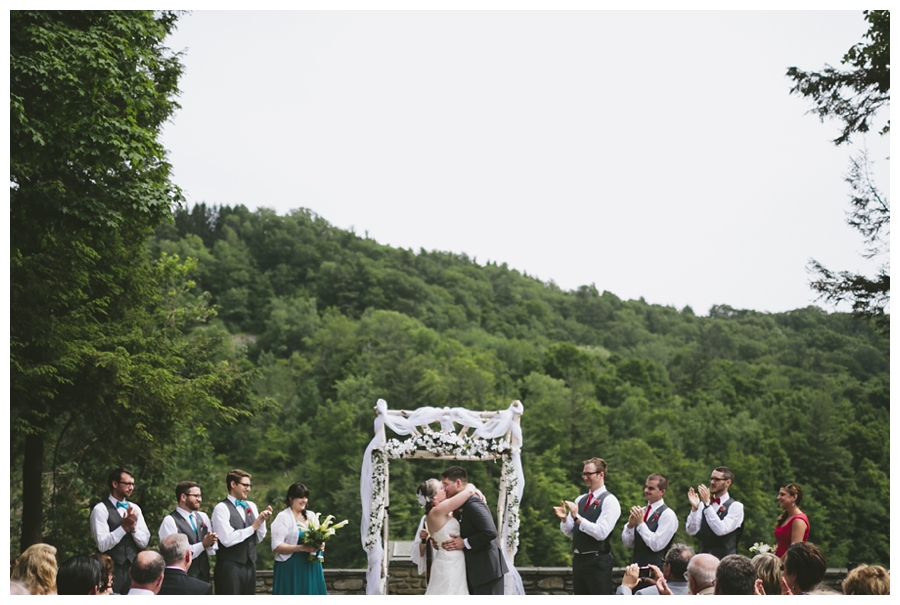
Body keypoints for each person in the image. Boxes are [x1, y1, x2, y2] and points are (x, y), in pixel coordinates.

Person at [553, 457, 621, 594]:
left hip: (597, 561)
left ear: (601, 474)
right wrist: (564, 520)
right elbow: (569, 532)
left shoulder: (610, 501)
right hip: (578, 560)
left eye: (588, 474)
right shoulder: (580, 499)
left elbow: (601, 533)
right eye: (584, 474)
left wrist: (577, 518)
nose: (585, 477)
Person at [440, 466, 508, 595]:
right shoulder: (462, 502)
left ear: (458, 483)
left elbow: (490, 532)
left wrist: (464, 543)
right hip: (477, 572)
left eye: (446, 484)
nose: (444, 489)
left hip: (487, 572)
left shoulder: (473, 503)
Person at [211, 469, 273, 595]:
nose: (248, 489)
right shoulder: (221, 508)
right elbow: (227, 540)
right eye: (245, 485)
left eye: (249, 485)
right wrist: (253, 527)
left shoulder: (251, 505)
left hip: (250, 565)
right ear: (233, 484)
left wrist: (262, 521)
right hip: (229, 567)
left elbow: (258, 538)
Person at [89, 467, 151, 594]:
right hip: (109, 572)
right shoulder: (100, 509)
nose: (131, 487)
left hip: (133, 571)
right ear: (115, 484)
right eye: (127, 484)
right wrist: (123, 527)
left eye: (133, 484)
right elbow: (102, 545)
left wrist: (133, 529)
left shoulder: (135, 508)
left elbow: (144, 541)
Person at [414, 477, 480, 594]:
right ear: (434, 497)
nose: (444, 489)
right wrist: (472, 487)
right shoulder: (437, 511)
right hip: (449, 565)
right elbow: (468, 491)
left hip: (453, 562)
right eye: (440, 488)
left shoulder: (436, 512)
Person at [621, 473, 678, 590]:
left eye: (651, 488)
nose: (646, 490)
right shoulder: (642, 511)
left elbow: (656, 545)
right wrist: (630, 526)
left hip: (655, 576)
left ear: (662, 491)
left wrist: (641, 524)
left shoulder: (668, 515)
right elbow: (628, 543)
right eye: (646, 487)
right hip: (636, 574)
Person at [270, 482, 328, 595]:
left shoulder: (311, 515)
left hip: (312, 566)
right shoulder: (283, 517)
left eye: (305, 497)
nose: (304, 500)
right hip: (291, 567)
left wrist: (321, 544)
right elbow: (276, 545)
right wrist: (303, 548)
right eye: (300, 497)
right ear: (291, 498)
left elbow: (319, 536)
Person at [158, 481, 218, 582]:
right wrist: (202, 545)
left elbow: (211, 551)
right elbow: (174, 554)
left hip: (204, 575)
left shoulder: (203, 517)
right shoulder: (170, 521)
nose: (200, 499)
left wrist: (212, 542)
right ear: (183, 497)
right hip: (182, 578)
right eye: (196, 496)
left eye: (200, 496)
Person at [685, 466, 743, 558]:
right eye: (711, 479)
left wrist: (707, 506)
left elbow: (721, 530)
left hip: (725, 562)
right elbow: (691, 531)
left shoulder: (736, 507)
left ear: (728, 482)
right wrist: (695, 509)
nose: (712, 482)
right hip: (703, 560)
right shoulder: (704, 504)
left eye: (717, 479)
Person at [616, 542, 693, 595]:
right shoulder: (699, 593)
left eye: (664, 561)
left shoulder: (644, 594)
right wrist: (663, 583)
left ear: (668, 568)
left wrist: (625, 587)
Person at [774, 483, 809, 558]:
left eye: (782, 495)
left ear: (794, 497)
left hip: (789, 565)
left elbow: (794, 550)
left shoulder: (799, 520)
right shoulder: (786, 517)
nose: (778, 497)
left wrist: (779, 564)